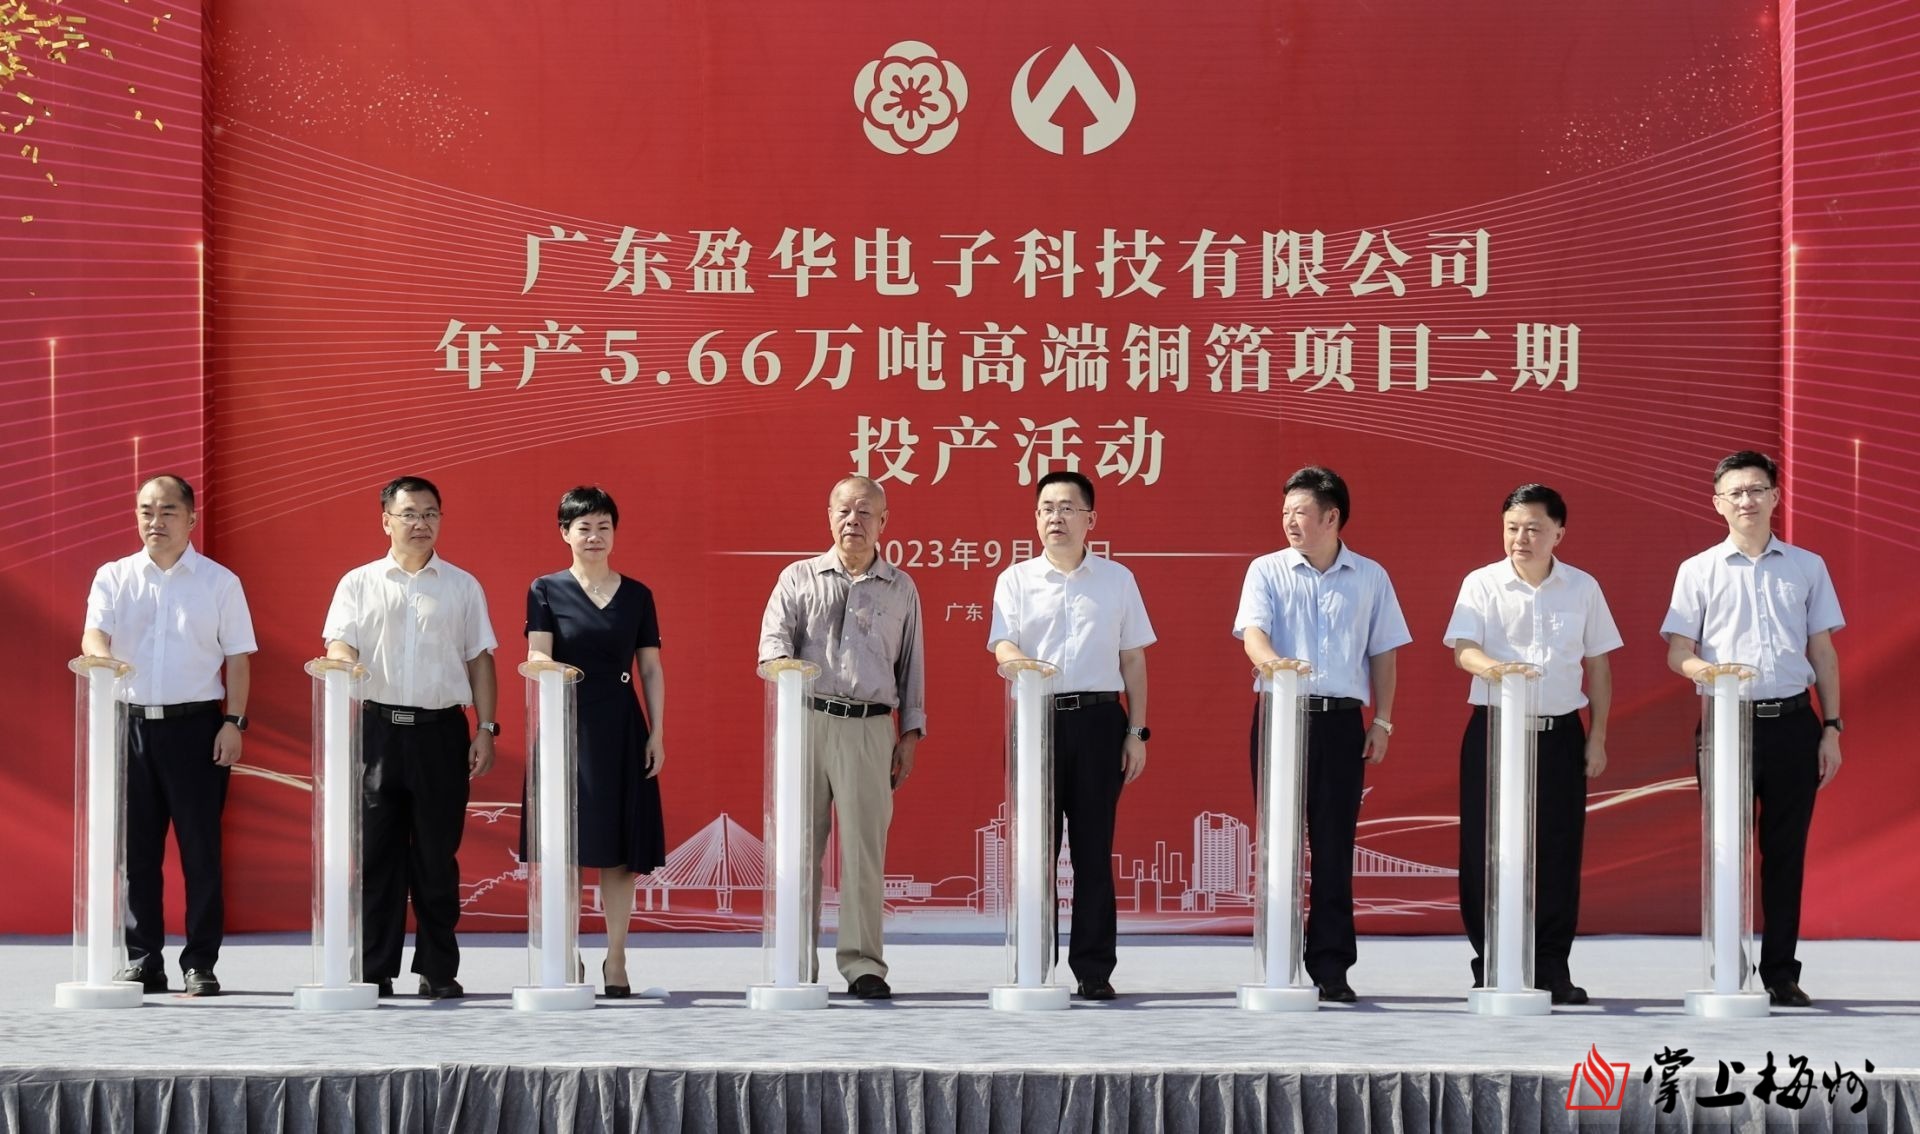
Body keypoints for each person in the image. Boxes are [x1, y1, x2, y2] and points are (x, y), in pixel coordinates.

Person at [1661, 450, 1843, 1008]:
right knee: (1726, 853)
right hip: (1725, 724)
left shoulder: (1806, 566)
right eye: (1735, 492)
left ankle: (1781, 973)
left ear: (1775, 496)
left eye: (1757, 489)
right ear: (1718, 503)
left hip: (1792, 723)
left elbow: (1823, 651)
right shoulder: (1698, 570)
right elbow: (1678, 652)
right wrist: (1708, 673)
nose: (1747, 500)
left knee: (1786, 853)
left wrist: (1831, 727)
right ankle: (1728, 969)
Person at [1233, 466, 1408, 1003]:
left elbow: (1383, 652)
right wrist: (1275, 665)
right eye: (1285, 512)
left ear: (1332, 517)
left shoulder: (1370, 577)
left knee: (1334, 847)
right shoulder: (1266, 569)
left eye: (1300, 512)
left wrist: (1382, 720)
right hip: (1281, 715)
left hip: (1340, 722)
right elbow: (1253, 634)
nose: (1289, 521)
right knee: (1279, 844)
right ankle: (1278, 962)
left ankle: (1331, 967)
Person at [1442, 484, 1621, 1005]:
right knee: (1485, 850)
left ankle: (1551, 967)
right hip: (1495, 728)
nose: (1521, 538)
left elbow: (1599, 666)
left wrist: (1598, 735)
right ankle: (1492, 963)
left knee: (1558, 852)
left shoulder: (1582, 587)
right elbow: (1463, 650)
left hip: (1559, 734)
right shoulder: (1482, 583)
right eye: (1512, 528)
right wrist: (1497, 670)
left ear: (1558, 533)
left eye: (1534, 529)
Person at [323, 476, 498, 999]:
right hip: (378, 731)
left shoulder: (462, 586)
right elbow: (339, 644)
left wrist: (486, 728)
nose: (421, 524)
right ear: (386, 521)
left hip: (441, 733)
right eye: (409, 514)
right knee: (377, 857)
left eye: (430, 514)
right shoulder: (358, 583)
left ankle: (437, 970)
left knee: (437, 858)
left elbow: (480, 659)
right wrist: (341, 662)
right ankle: (373, 968)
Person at [82, 475, 256, 997]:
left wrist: (234, 722)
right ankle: (143, 959)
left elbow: (238, 658)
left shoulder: (219, 582)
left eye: (167, 511)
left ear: (191, 518)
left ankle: (200, 962)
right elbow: (94, 634)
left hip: (196, 729)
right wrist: (102, 657)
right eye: (146, 511)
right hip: (130, 725)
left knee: (201, 853)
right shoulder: (114, 576)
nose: (155, 521)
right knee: (137, 854)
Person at [757, 475, 926, 1000]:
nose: (854, 520)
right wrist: (785, 666)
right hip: (806, 721)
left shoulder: (901, 587)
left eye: (865, 512)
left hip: (871, 728)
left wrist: (910, 733)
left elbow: (912, 665)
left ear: (884, 522)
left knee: (864, 852)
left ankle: (863, 964)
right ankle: (795, 961)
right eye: (844, 510)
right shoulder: (798, 577)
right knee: (798, 848)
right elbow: (771, 648)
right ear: (828, 516)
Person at [989, 470, 1154, 1001]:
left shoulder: (1117, 580)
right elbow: (1002, 644)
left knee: (1092, 850)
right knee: (1035, 850)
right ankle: (1034, 964)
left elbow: (1133, 660)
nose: (1054, 518)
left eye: (1066, 507)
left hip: (1101, 722)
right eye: (1045, 508)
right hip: (1036, 720)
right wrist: (1023, 664)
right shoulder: (1016, 579)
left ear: (1090, 519)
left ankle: (1093, 969)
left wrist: (1137, 730)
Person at [523, 486, 666, 998]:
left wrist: (657, 731)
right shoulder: (545, 589)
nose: (594, 536)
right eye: (584, 527)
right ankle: (566, 954)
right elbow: (537, 653)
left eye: (604, 526)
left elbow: (650, 668)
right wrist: (547, 667)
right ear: (565, 533)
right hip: (566, 725)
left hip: (622, 727)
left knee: (619, 852)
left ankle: (617, 958)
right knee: (564, 848)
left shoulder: (638, 595)